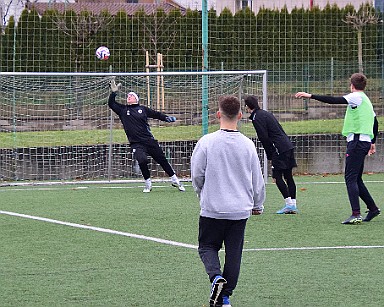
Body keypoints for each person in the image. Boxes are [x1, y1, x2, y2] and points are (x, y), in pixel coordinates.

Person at [191, 95, 265, 307]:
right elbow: (257, 179)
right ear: (240, 116)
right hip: (239, 210)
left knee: (207, 246)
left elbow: (197, 175)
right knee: (234, 253)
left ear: (218, 115)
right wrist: (257, 204)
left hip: (213, 208)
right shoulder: (248, 145)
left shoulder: (207, 142)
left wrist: (201, 193)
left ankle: (216, 278)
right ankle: (224, 297)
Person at [295, 72, 380, 224]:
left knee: (350, 178)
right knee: (356, 178)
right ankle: (373, 208)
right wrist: (372, 141)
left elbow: (334, 100)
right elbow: (375, 122)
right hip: (363, 141)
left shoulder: (356, 97)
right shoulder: (366, 99)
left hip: (357, 142)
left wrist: (310, 96)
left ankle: (356, 214)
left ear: (352, 86)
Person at [108, 77, 185, 193]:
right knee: (142, 160)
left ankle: (175, 180)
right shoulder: (123, 110)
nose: (129, 96)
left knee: (162, 160)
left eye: (132, 95)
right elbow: (111, 104)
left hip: (149, 140)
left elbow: (156, 114)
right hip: (136, 143)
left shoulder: (142, 109)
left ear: (137, 99)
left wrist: (166, 118)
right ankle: (148, 183)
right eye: (128, 96)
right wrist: (113, 93)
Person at [244, 95, 298, 214]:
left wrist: (271, 154)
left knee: (276, 177)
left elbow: (263, 137)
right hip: (287, 145)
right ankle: (293, 204)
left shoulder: (256, 117)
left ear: (247, 106)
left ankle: (289, 204)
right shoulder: (265, 113)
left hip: (278, 148)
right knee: (288, 176)